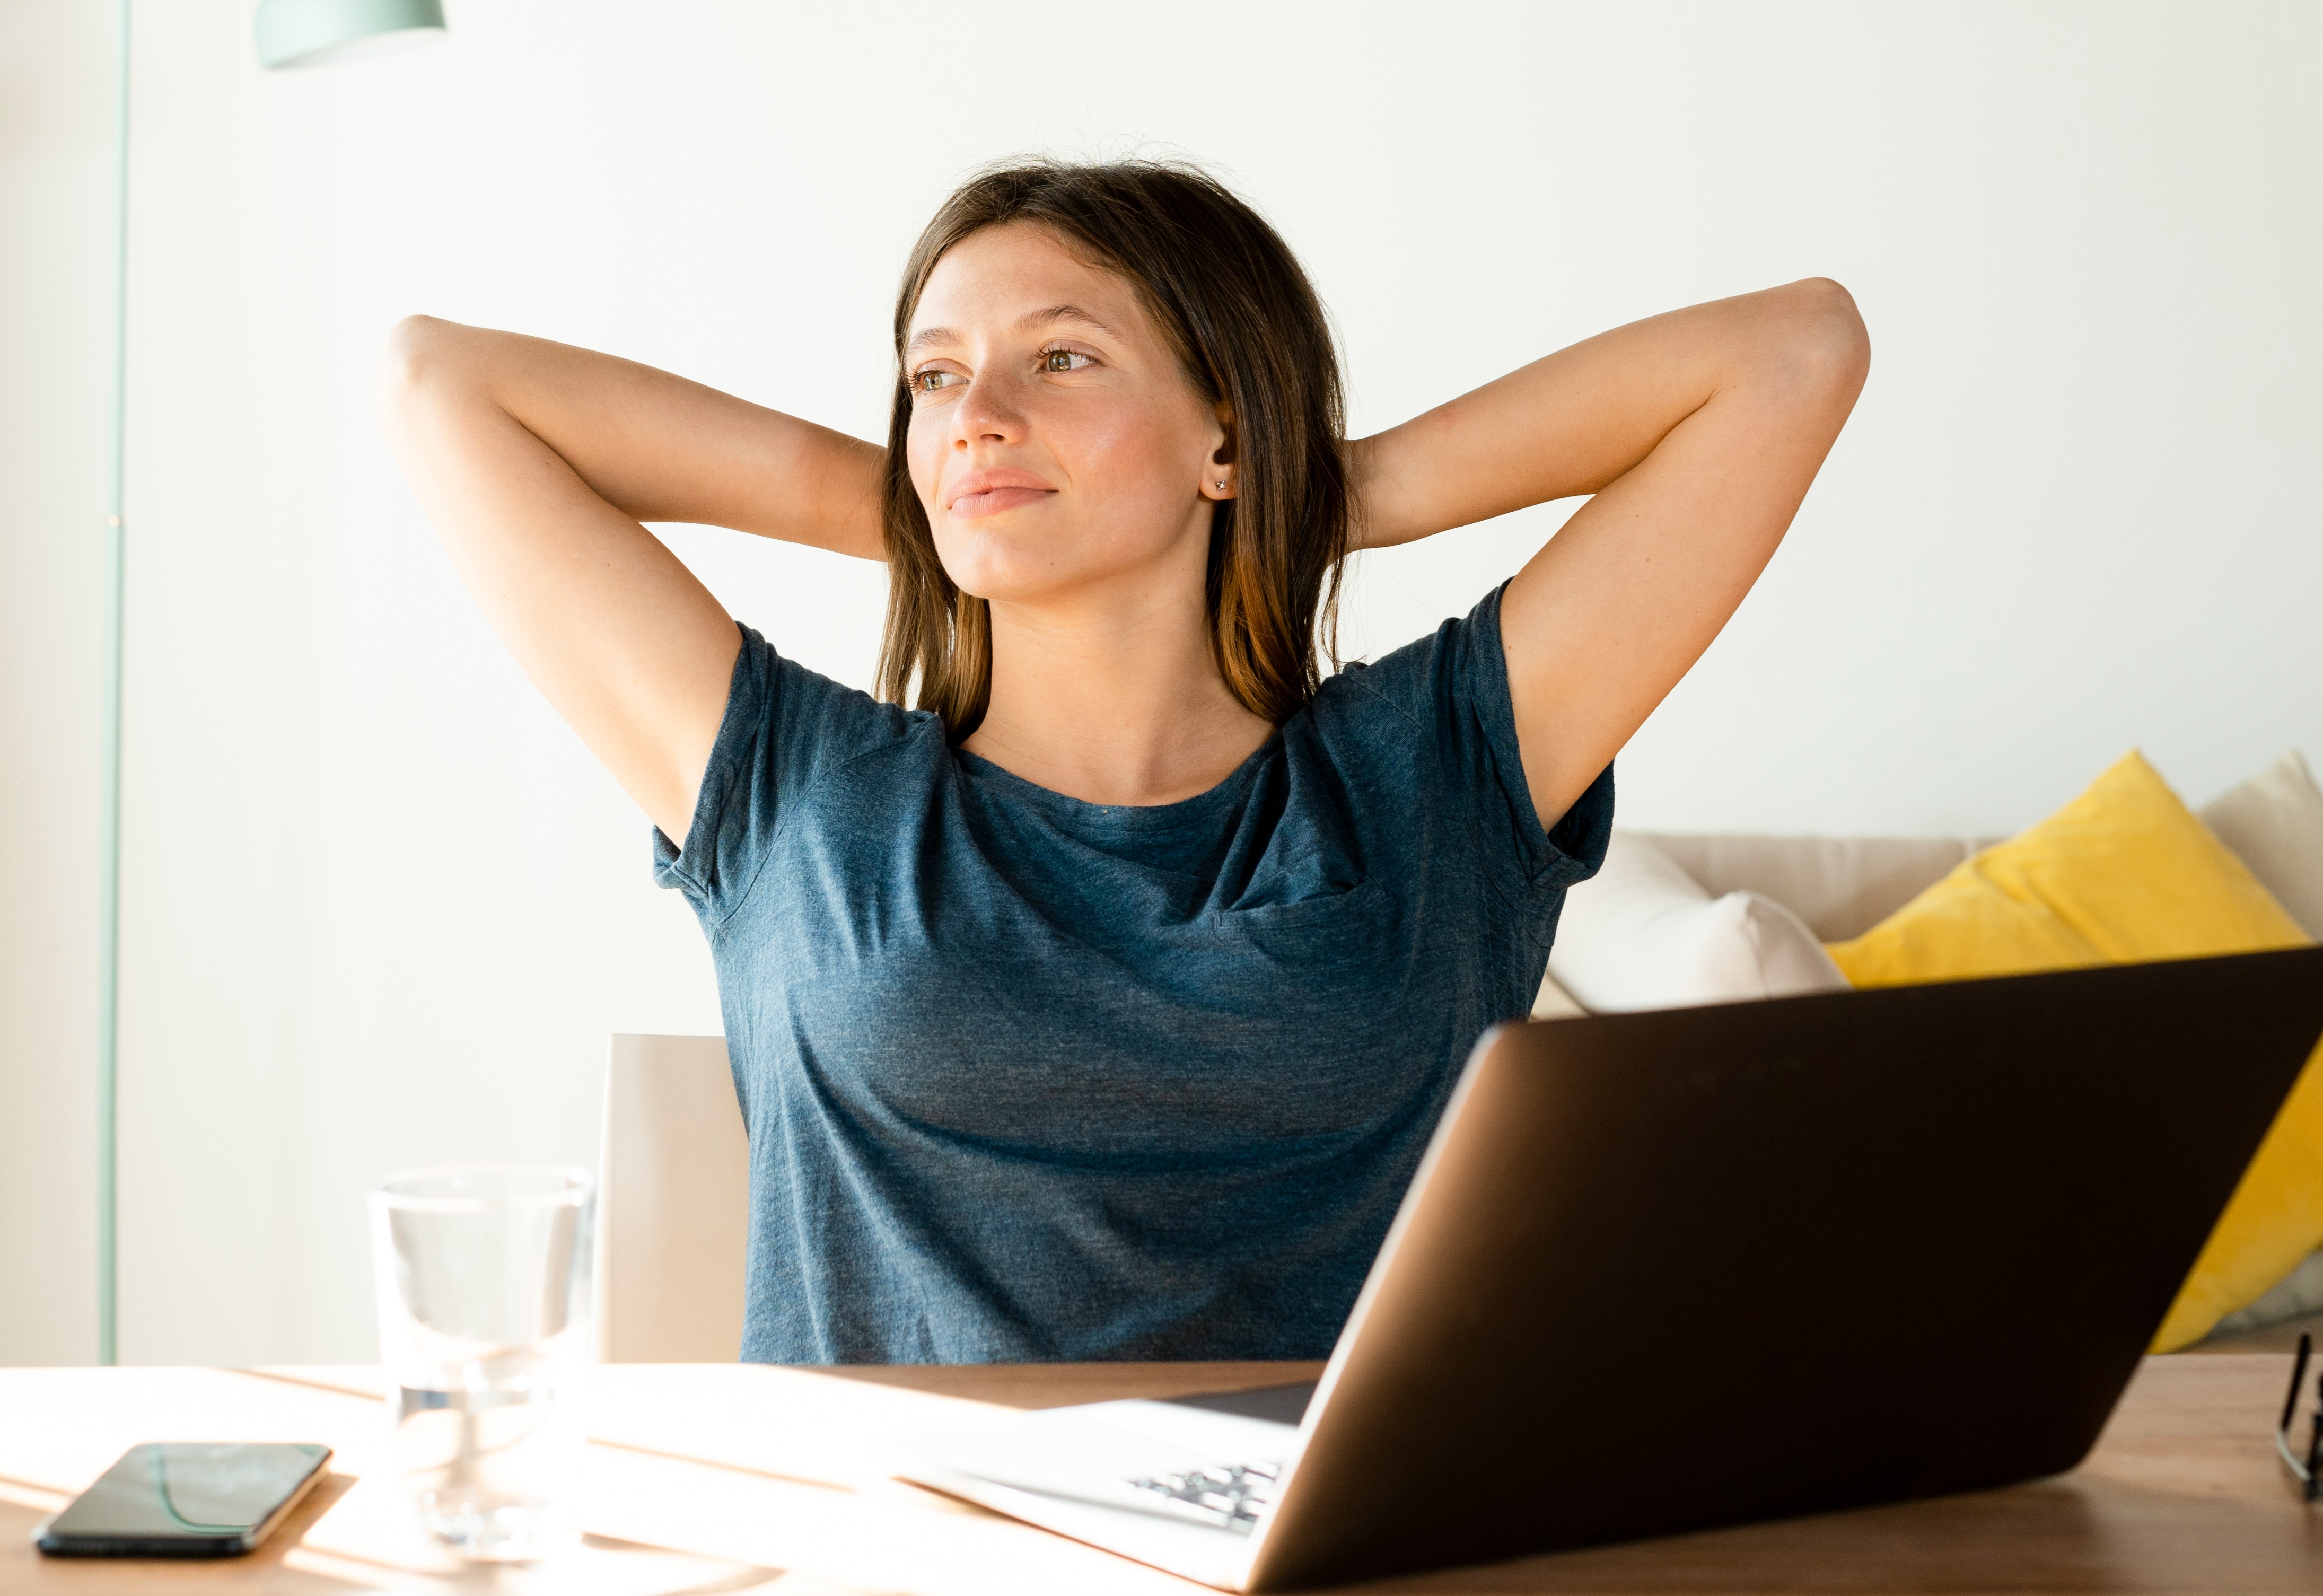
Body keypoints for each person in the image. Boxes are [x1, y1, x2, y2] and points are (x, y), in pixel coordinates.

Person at [384, 158, 1867, 1364]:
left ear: (1225, 430)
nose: (976, 414)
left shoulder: (1433, 773)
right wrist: (940, 501)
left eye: (1062, 359)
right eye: (935, 377)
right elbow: (441, 384)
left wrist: (1323, 487)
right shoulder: (794, 787)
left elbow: (1792, 350)